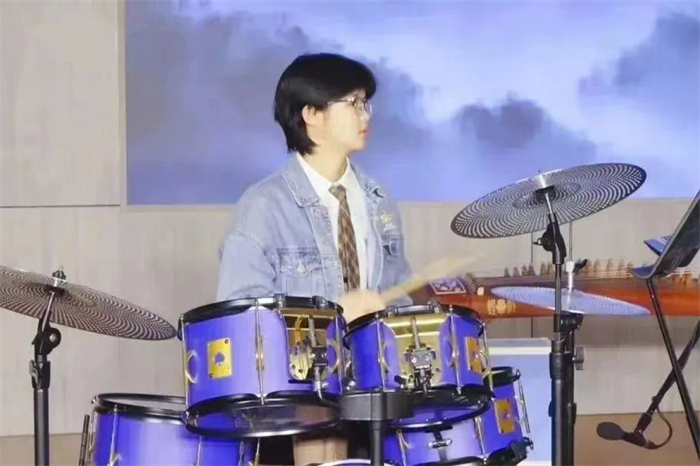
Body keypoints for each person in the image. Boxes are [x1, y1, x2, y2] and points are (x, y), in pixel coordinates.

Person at [216, 52, 413, 464]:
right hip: (302, 404)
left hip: (372, 395)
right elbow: (242, 322)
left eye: (366, 103)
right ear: (311, 114)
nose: (365, 114)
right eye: (353, 103)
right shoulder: (264, 206)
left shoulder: (378, 200)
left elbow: (399, 296)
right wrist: (335, 315)